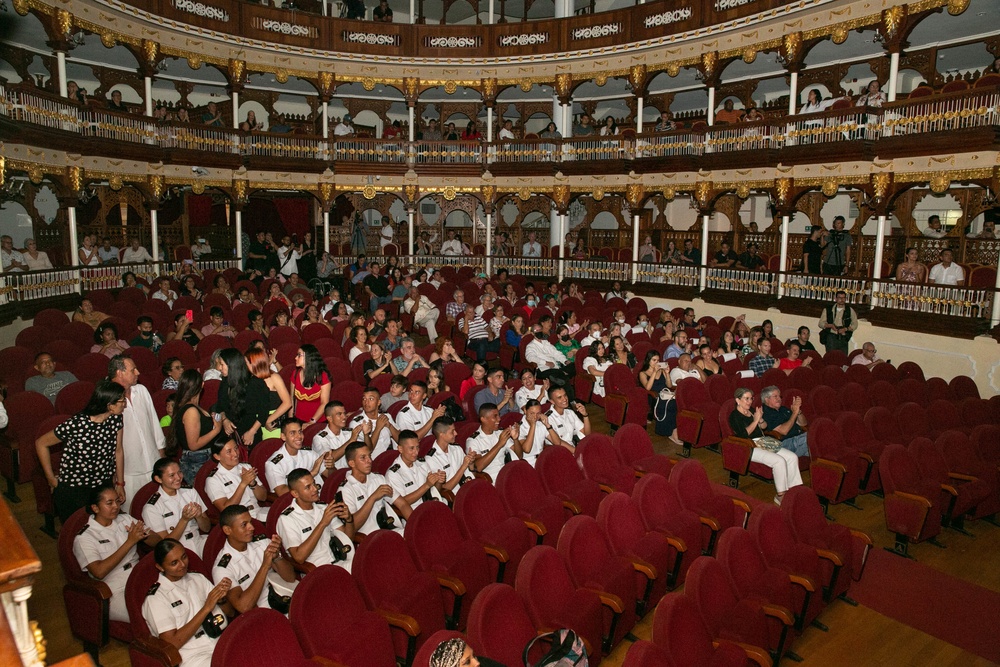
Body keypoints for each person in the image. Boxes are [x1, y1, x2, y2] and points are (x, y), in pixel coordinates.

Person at [36, 380, 126, 522]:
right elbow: (41, 443)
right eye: (122, 400)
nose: (125, 404)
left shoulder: (116, 419)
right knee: (77, 530)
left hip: (102, 485)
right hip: (75, 487)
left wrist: (120, 483)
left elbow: (118, 451)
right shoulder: (77, 424)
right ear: (109, 405)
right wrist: (51, 478)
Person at [142, 539, 231, 667]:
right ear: (160, 567)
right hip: (191, 654)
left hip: (219, 640)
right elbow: (171, 643)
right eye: (174, 563)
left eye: (184, 557)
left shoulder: (198, 578)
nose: (183, 565)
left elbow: (230, 612)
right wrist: (206, 609)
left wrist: (222, 599)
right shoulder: (156, 598)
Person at [74, 484, 153, 623]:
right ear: (95, 508)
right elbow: (99, 571)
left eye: (117, 501)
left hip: (139, 575)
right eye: (109, 503)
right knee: (149, 615)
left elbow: (157, 541)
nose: (116, 506)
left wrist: (145, 535)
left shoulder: (125, 519)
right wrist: (130, 542)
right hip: (114, 589)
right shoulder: (85, 537)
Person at [108, 354, 166, 502]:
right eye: (133, 370)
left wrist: (161, 458)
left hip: (153, 463)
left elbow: (154, 424)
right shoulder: (107, 399)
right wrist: (116, 476)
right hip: (128, 471)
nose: (138, 373)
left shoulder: (141, 391)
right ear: (120, 373)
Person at [729, 388, 803, 504]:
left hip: (762, 441)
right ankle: (781, 496)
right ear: (738, 400)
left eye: (751, 399)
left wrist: (761, 419)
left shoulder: (752, 410)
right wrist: (755, 421)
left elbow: (764, 427)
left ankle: (795, 490)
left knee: (792, 457)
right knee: (779, 461)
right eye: (746, 399)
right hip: (748, 446)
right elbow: (743, 435)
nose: (749, 402)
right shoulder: (734, 416)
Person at [277, 469, 355, 571]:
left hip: (339, 562)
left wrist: (349, 520)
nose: (315, 489)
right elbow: (299, 557)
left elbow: (347, 539)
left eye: (314, 483)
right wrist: (323, 523)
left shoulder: (323, 508)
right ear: (295, 493)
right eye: (308, 487)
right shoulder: (287, 519)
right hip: (316, 571)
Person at [143, 458, 210, 557]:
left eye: (179, 472)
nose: (178, 478)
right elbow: (166, 544)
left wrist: (199, 517)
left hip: (198, 540)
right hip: (177, 551)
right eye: (171, 475)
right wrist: (184, 520)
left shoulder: (189, 491)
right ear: (158, 479)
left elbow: (207, 528)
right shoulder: (152, 507)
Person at [341, 442, 412, 535]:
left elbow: (402, 504)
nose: (369, 460)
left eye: (369, 456)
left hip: (389, 529)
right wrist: (373, 498)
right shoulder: (345, 490)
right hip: (369, 538)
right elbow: (352, 526)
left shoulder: (377, 478)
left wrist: (413, 525)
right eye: (363, 458)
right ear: (352, 463)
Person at [215, 348, 271, 449]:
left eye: (222, 364)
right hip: (229, 434)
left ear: (232, 365)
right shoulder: (225, 382)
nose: (219, 368)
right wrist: (224, 420)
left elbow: (264, 411)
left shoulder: (255, 383)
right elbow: (219, 406)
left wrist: (252, 432)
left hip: (250, 433)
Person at [205, 435, 269, 521]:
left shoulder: (246, 467)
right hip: (239, 520)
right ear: (217, 456)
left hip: (258, 512)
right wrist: (243, 484)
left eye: (236, 448)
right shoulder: (213, 480)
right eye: (229, 452)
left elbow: (263, 497)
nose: (235, 454)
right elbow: (226, 510)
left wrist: (253, 484)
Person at [386, 430, 445, 509]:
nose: (416, 452)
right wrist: (426, 485)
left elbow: (434, 491)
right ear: (400, 449)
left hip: (431, 506)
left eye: (417, 447)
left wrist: (439, 482)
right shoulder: (393, 474)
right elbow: (402, 503)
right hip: (414, 512)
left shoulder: (422, 463)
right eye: (411, 448)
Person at [419, 417, 476, 494]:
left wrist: (471, 464)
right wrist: (463, 466)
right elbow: (444, 489)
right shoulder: (431, 459)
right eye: (452, 431)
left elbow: (471, 475)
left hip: (467, 491)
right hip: (451, 497)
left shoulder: (457, 449)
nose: (456, 433)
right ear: (442, 435)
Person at [467, 404, 519, 483]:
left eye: (499, 415)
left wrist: (515, 439)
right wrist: (499, 444)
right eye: (495, 416)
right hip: (490, 480)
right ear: (483, 419)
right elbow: (478, 467)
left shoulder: (500, 433)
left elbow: (519, 455)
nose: (499, 419)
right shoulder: (473, 440)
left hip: (506, 475)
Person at [312, 401, 368, 470]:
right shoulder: (320, 438)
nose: (344, 417)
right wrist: (351, 441)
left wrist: (366, 434)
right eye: (339, 414)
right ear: (329, 418)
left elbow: (367, 449)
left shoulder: (349, 433)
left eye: (344, 413)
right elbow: (329, 458)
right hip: (333, 476)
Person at [760, 386, 810, 457]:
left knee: (818, 445)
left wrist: (798, 412)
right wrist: (794, 413)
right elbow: (784, 431)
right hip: (786, 443)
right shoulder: (766, 413)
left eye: (780, 396)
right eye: (775, 396)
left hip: (799, 439)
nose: (779, 399)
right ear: (766, 399)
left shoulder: (783, 409)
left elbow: (803, 424)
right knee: (813, 437)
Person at [349, 388, 398, 459]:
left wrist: (390, 426)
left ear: (378, 402)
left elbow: (400, 440)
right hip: (372, 461)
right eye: (364, 399)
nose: (366, 402)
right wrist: (378, 428)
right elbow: (368, 450)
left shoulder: (386, 416)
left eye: (371, 399)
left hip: (391, 457)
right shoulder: (357, 423)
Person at [289, 344, 331, 426]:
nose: (295, 358)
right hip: (299, 419)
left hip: (318, 421)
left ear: (309, 358)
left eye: (299, 355)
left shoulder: (323, 376)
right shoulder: (295, 374)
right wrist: (291, 422)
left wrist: (312, 421)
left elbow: (324, 402)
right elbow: (292, 400)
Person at [525, 317, 574, 387]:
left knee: (573, 365)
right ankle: (561, 375)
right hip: (543, 369)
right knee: (563, 377)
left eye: (540, 330)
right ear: (532, 333)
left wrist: (565, 361)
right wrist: (546, 363)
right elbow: (530, 358)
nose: (539, 331)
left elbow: (556, 353)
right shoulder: (530, 346)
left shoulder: (546, 342)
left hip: (555, 367)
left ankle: (560, 375)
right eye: (536, 330)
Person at [545, 386, 590, 451]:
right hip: (557, 451)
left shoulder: (570, 413)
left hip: (573, 448)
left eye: (565, 395)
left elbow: (586, 434)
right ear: (552, 401)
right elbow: (558, 442)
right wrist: (577, 452)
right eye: (559, 397)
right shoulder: (548, 419)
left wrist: (585, 415)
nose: (565, 399)